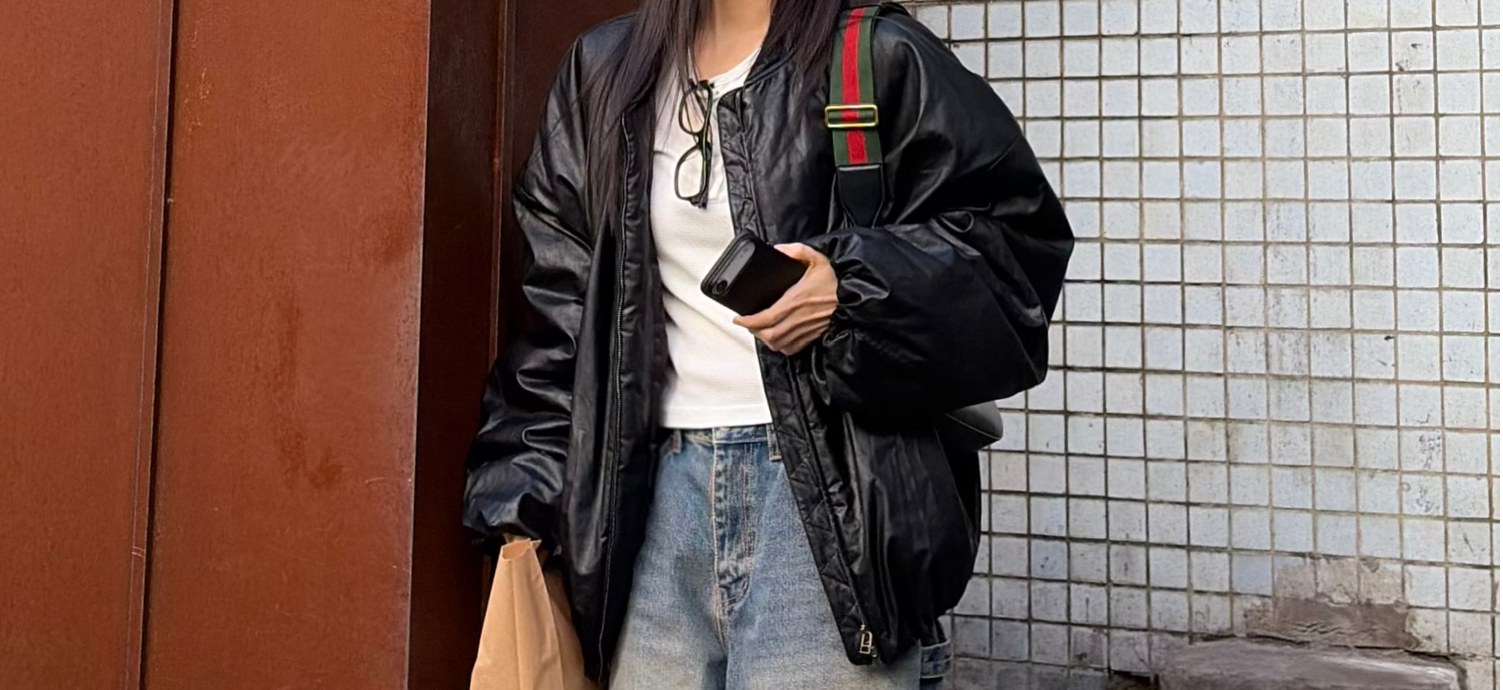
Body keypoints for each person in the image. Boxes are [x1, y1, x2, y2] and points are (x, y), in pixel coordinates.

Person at [463, 0, 1073, 688]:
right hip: (647, 507)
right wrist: (523, 502)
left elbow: (1016, 248)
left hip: (827, 499)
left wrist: (850, 287)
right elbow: (559, 310)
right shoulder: (604, 70)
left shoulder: (875, 55)